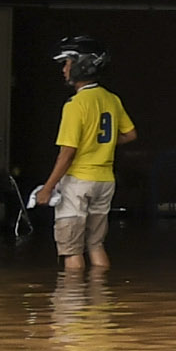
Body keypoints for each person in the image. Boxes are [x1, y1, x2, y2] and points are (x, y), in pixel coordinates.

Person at [30, 39, 134, 276]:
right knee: (96, 245)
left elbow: (67, 154)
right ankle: (99, 300)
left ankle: (72, 306)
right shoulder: (112, 99)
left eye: (67, 63)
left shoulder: (75, 105)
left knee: (71, 250)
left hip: (78, 183)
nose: (64, 69)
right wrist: (101, 143)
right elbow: (130, 134)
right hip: (105, 181)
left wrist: (47, 188)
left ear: (82, 66)